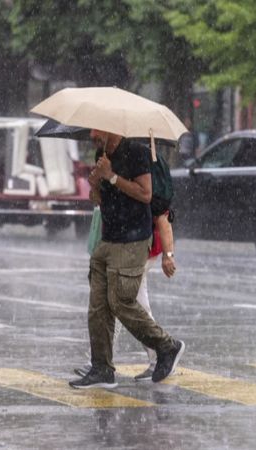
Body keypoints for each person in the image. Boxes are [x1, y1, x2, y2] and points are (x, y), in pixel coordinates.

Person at [69, 129, 184, 389]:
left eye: (95, 129)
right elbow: (98, 199)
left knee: (121, 301)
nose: (91, 134)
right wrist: (96, 184)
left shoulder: (138, 153)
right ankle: (102, 369)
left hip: (132, 240)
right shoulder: (102, 154)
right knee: (98, 306)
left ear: (109, 128)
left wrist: (112, 176)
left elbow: (145, 193)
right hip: (107, 239)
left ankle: (168, 346)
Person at [75, 210, 177, 381]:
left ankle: (103, 362)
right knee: (132, 302)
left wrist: (168, 255)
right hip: (127, 246)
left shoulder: (145, 187)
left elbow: (162, 214)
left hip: (136, 249)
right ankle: (159, 355)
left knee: (120, 301)